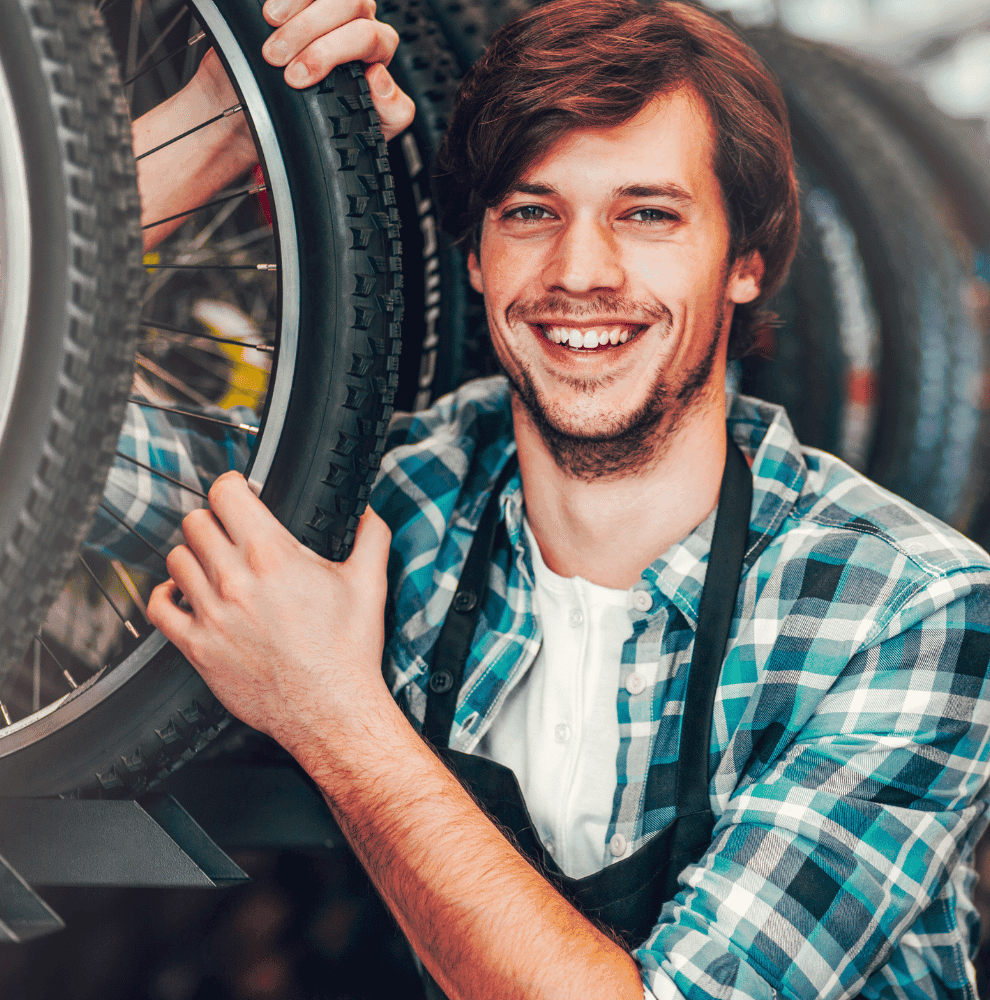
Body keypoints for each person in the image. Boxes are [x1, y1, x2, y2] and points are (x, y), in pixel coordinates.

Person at [129, 1, 990, 998]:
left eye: (648, 214)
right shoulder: (404, 515)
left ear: (745, 264)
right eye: (532, 213)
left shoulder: (909, 609)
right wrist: (228, 122)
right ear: (476, 258)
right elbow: (33, 418)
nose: (581, 271)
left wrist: (334, 712)